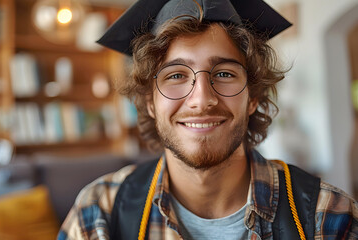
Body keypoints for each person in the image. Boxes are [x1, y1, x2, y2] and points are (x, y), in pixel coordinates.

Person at [58, 0, 358, 239]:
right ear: (149, 101)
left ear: (253, 97)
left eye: (224, 74)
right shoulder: (100, 213)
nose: (201, 99)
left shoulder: (326, 216)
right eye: (176, 75)